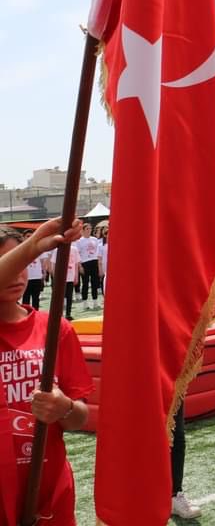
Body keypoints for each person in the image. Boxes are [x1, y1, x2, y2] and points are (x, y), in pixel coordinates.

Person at [0, 218, 90, 525]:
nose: (17, 274)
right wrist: (33, 244)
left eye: (23, 263)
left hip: (49, 489)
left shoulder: (55, 329)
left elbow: (81, 417)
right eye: (9, 264)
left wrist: (63, 408)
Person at [74, 223, 101, 311]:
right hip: (85, 263)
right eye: (87, 229)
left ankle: (95, 301)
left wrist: (98, 264)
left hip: (94, 262)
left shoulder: (94, 239)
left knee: (94, 282)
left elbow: (97, 252)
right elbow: (77, 254)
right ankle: (85, 303)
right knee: (85, 283)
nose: (89, 230)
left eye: (90, 228)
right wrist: (80, 266)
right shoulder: (79, 241)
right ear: (82, 230)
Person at [22, 245, 48, 310]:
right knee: (26, 298)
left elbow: (43, 261)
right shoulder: (22, 248)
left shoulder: (40, 247)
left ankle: (35, 313)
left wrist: (44, 272)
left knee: (36, 297)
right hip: (26, 277)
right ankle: (26, 314)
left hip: (37, 276)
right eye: (27, 236)